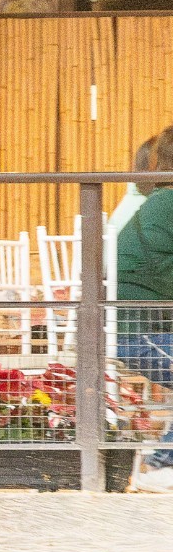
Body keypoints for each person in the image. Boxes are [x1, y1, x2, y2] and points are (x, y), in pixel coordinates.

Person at [115, 125, 173, 492]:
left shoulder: (158, 205)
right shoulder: (166, 207)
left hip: (141, 331)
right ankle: (159, 466)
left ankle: (161, 463)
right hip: (140, 335)